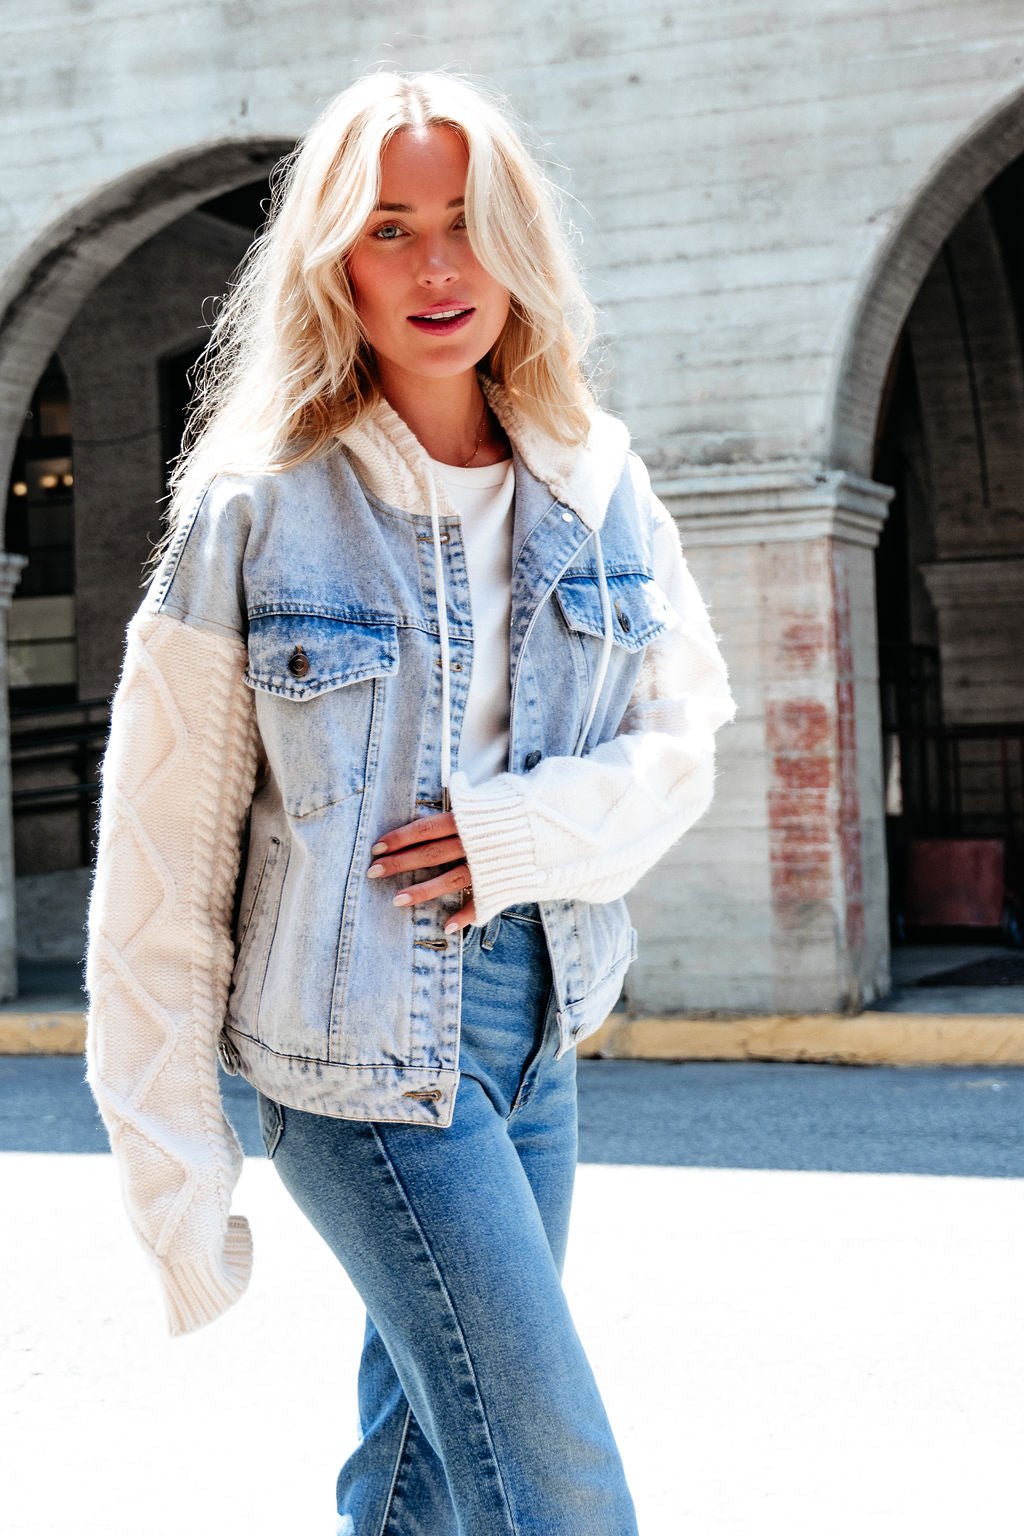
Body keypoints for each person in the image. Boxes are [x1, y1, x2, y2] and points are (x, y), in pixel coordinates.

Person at [85, 70, 735, 1536]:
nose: (439, 268)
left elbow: (684, 736)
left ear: (519, 248)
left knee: (429, 1465)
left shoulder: (596, 479)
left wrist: (519, 837)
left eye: (467, 224)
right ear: (334, 260)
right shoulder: (254, 508)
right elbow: (162, 865)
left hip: (537, 1031)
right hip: (350, 1052)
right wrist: (176, 1179)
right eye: (391, 229)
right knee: (554, 1481)